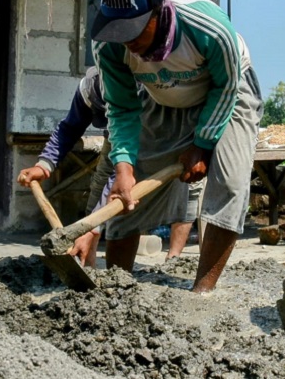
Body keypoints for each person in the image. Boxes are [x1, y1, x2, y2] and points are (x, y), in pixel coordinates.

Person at [90, 0, 263, 293]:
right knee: (129, 186)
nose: (128, 42)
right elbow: (123, 108)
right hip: (162, 96)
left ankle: (202, 291)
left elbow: (226, 87)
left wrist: (203, 143)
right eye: (119, 31)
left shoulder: (208, 28)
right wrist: (123, 164)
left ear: (159, 10)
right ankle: (116, 288)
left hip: (227, 92)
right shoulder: (108, 47)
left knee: (230, 180)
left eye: (135, 30)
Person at [16, 67, 200, 266]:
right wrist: (44, 165)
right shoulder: (91, 87)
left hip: (151, 142)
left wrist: (92, 226)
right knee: (97, 202)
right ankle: (87, 265)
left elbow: (121, 176)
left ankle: (151, 266)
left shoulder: (145, 91)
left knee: (124, 209)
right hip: (113, 140)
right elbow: (69, 128)